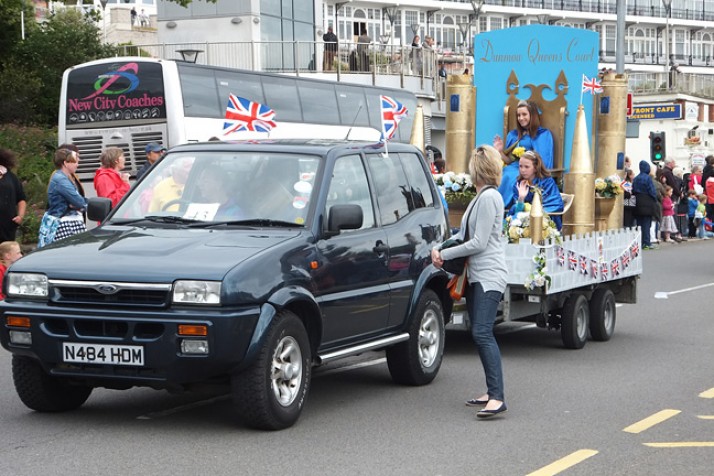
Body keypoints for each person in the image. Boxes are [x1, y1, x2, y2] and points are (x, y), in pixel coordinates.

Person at [431, 145, 508, 419]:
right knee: (480, 331)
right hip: (478, 275)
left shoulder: (488, 198)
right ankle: (491, 391)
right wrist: (442, 246)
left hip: (489, 275)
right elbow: (464, 235)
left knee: (482, 332)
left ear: (478, 168)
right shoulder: (482, 197)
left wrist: (445, 253)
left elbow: (478, 242)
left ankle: (497, 396)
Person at [493, 100, 555, 209]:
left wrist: (528, 166)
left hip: (530, 169)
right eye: (518, 115)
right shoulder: (513, 135)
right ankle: (496, 207)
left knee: (511, 176)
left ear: (533, 115)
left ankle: (508, 208)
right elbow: (508, 161)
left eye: (524, 114)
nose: (521, 118)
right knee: (502, 173)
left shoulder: (542, 134)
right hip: (513, 167)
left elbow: (543, 161)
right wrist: (500, 151)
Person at [39, 149, 88, 247]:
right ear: (65, 163)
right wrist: (83, 205)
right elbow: (79, 202)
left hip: (67, 221)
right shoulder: (61, 179)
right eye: (75, 162)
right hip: (65, 223)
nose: (77, 165)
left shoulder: (63, 177)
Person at [507, 150, 564, 229]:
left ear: (535, 168)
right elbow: (516, 211)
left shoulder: (547, 182)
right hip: (524, 222)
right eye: (520, 166)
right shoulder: (518, 184)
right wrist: (521, 198)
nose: (523, 170)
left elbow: (555, 204)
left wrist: (533, 212)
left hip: (545, 221)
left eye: (526, 167)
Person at [0, 149, 27, 243]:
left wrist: (20, 216)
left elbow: (21, 199)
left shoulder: (11, 177)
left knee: (7, 253)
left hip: (8, 225)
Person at [632, 160, 658, 250]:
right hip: (647, 202)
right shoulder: (647, 178)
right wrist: (655, 199)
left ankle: (639, 242)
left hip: (638, 202)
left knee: (639, 224)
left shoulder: (635, 179)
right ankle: (646, 242)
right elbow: (652, 191)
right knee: (647, 224)